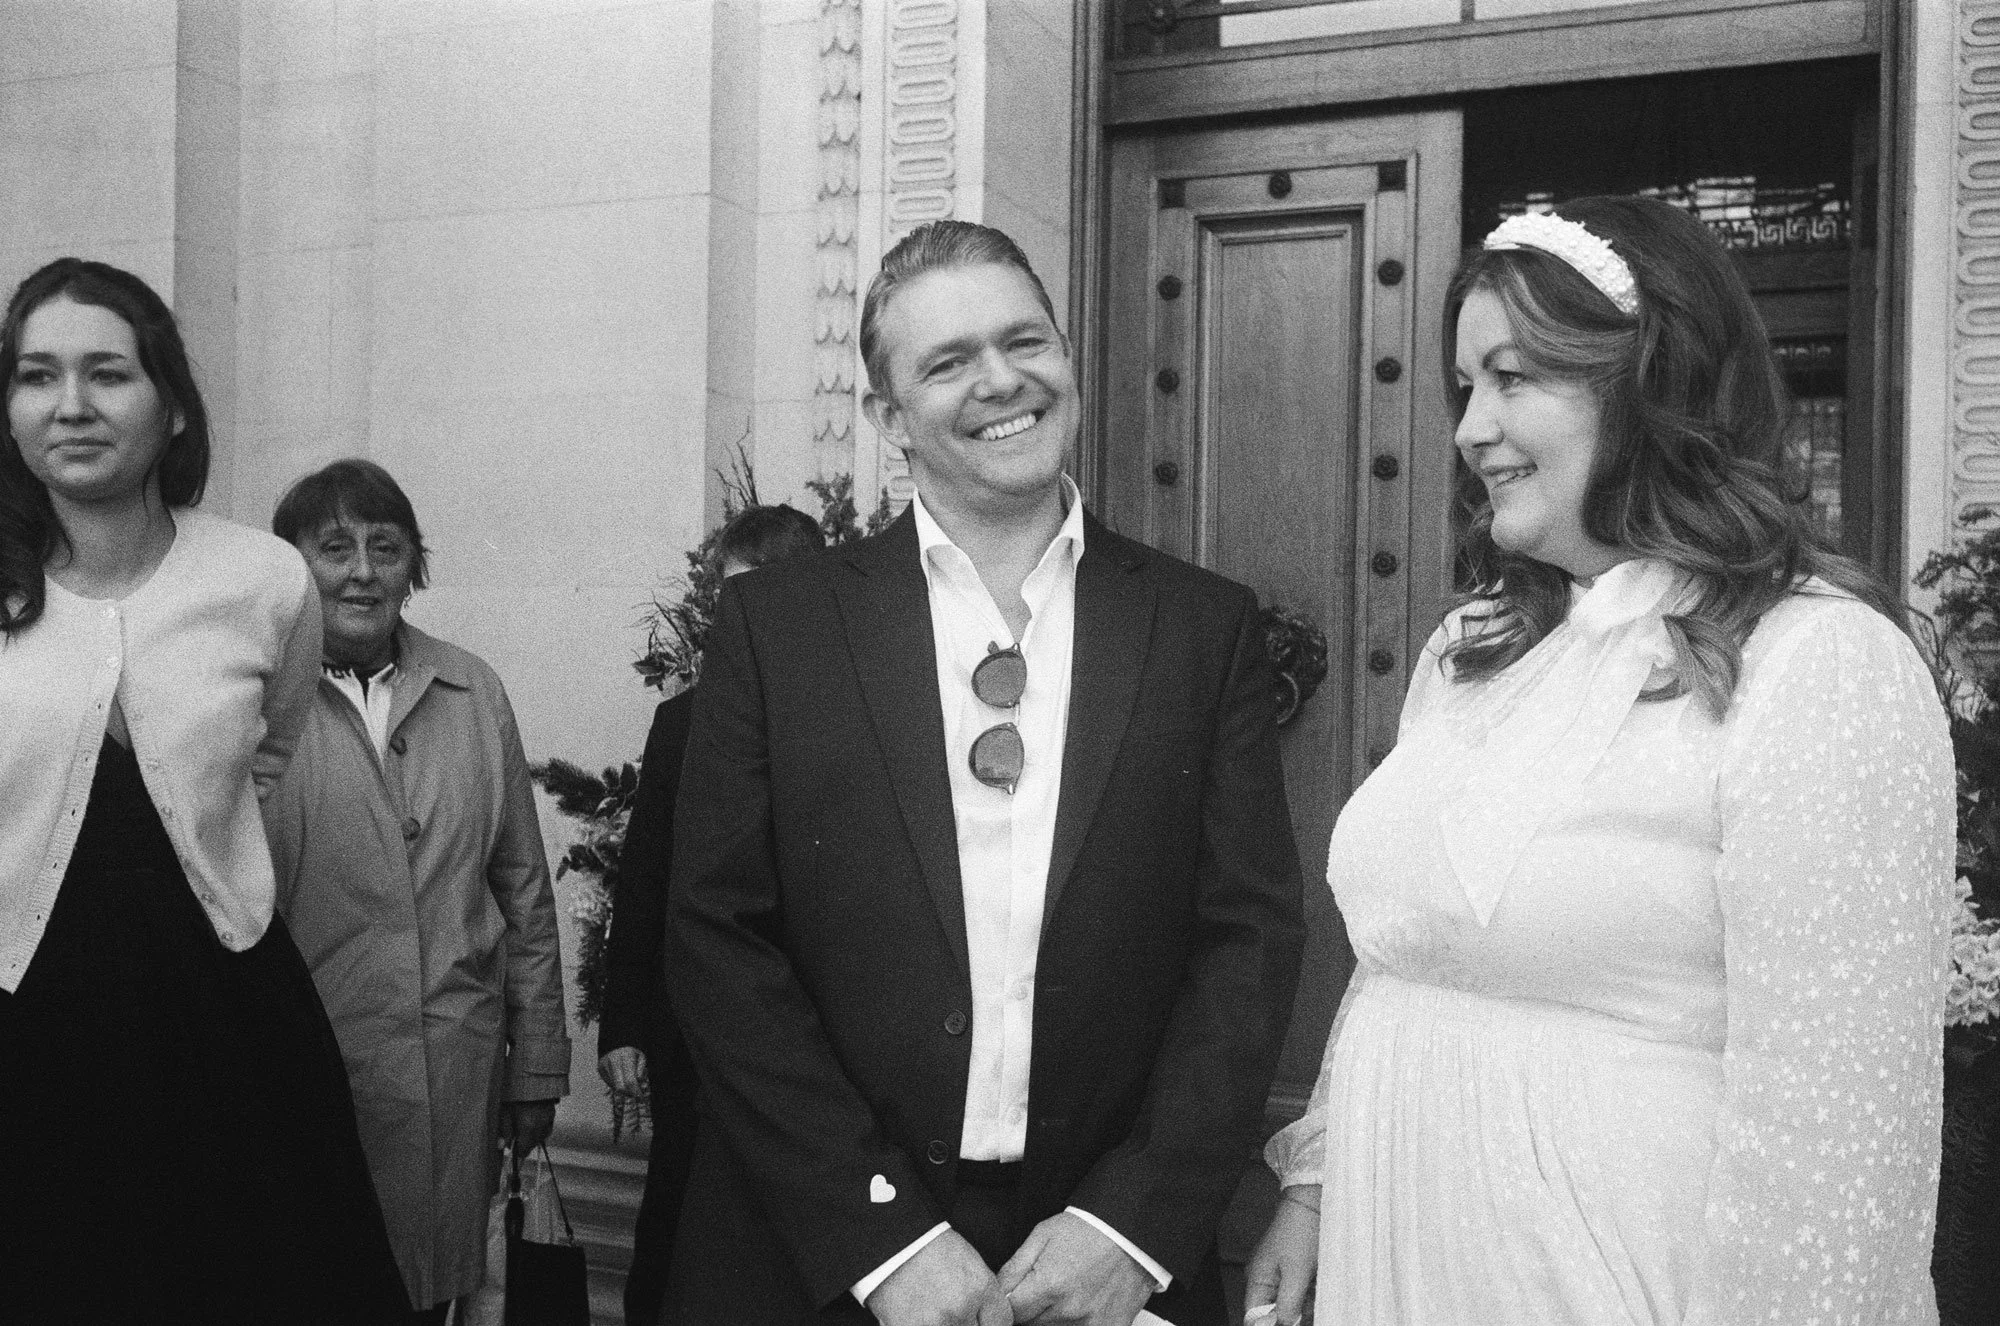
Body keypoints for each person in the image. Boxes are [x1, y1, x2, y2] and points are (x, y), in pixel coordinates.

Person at [1245, 196, 1955, 1325]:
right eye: (1465, 386)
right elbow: (1404, 954)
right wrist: (1317, 1186)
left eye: (1515, 376)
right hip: (1401, 1256)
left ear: (1651, 385)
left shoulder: (1818, 664)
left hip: (1622, 1275)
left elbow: (1836, 1139)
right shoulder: (1472, 648)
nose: (1471, 428)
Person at [662, 219, 1306, 1326]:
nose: (1001, 380)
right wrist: (882, 1238)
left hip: (1101, 1266)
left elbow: (1245, 944)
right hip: (820, 1256)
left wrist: (1132, 1227)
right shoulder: (779, 627)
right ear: (886, 417)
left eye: (1024, 341)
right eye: (948, 361)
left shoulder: (1201, 628)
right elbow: (717, 940)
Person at [0, 258, 406, 1322]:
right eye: (38, 376)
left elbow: (266, 748)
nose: (72, 406)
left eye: (108, 374)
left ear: (172, 405)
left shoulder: (263, 579)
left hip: (224, 1022)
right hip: (23, 1032)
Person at [265, 458, 573, 1325]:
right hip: (306, 1071)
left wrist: (537, 1064)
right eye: (334, 547)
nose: (362, 570)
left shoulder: (473, 691)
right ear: (290, 566)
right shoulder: (250, 696)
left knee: (432, 1299)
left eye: (385, 547)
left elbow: (523, 889)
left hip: (452, 1069)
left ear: (414, 568)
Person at [598, 501, 827, 1326]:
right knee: (675, 1233)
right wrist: (624, 1020)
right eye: (732, 598)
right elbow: (647, 878)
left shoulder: (860, 721)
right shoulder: (684, 721)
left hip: (825, 1038)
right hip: (697, 1038)